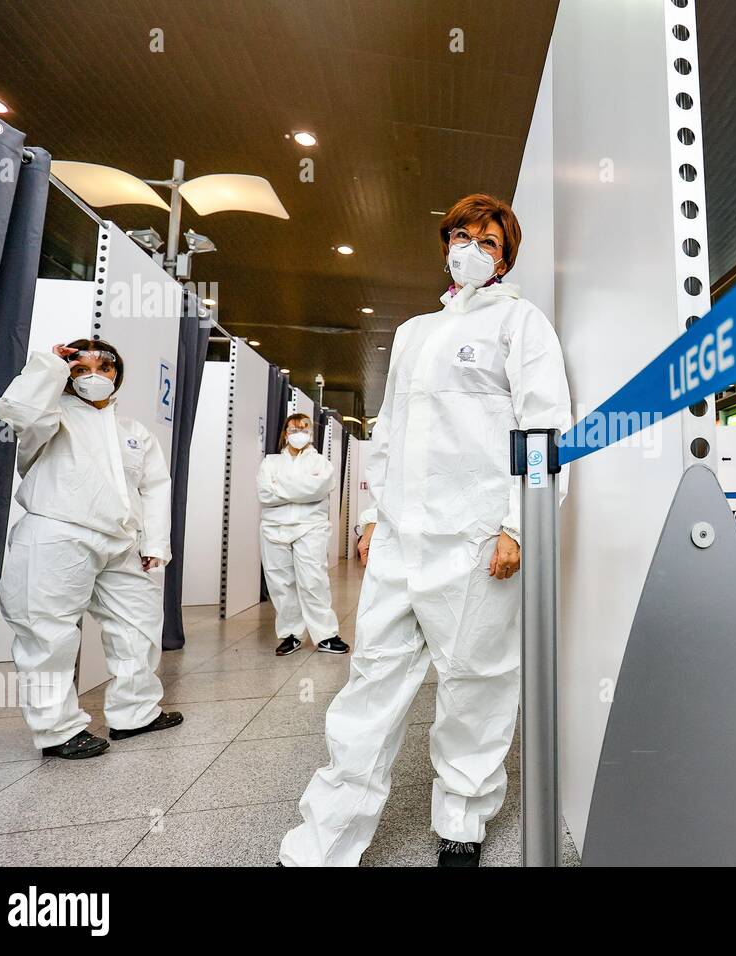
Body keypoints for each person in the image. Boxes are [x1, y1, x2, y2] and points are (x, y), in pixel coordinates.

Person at [280, 193, 572, 868]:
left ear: (505, 259)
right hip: (400, 548)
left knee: (476, 684)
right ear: (445, 243)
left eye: (489, 242)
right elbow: (387, 434)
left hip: (475, 545)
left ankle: (463, 822)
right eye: (462, 236)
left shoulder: (520, 324)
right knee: (367, 692)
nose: (471, 248)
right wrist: (376, 515)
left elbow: (544, 431)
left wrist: (517, 526)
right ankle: (321, 845)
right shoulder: (413, 332)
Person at [0, 340, 183, 760]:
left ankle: (135, 713)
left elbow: (154, 488)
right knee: (47, 633)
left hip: (122, 541)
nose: (95, 375)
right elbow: (15, 409)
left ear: (117, 376)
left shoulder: (134, 432)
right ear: (68, 376)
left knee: (139, 627)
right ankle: (57, 731)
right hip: (58, 533)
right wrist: (51, 365)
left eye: (104, 367)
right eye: (82, 369)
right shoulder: (49, 415)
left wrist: (154, 543)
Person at [257, 414, 347, 657]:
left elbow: (318, 488)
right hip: (274, 530)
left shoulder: (321, 464)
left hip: (311, 528)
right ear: (285, 433)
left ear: (311, 433)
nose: (299, 431)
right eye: (294, 427)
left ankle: (326, 635)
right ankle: (291, 634)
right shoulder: (270, 463)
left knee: (313, 581)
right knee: (281, 584)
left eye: (304, 427)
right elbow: (265, 494)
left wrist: (281, 487)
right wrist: (302, 488)